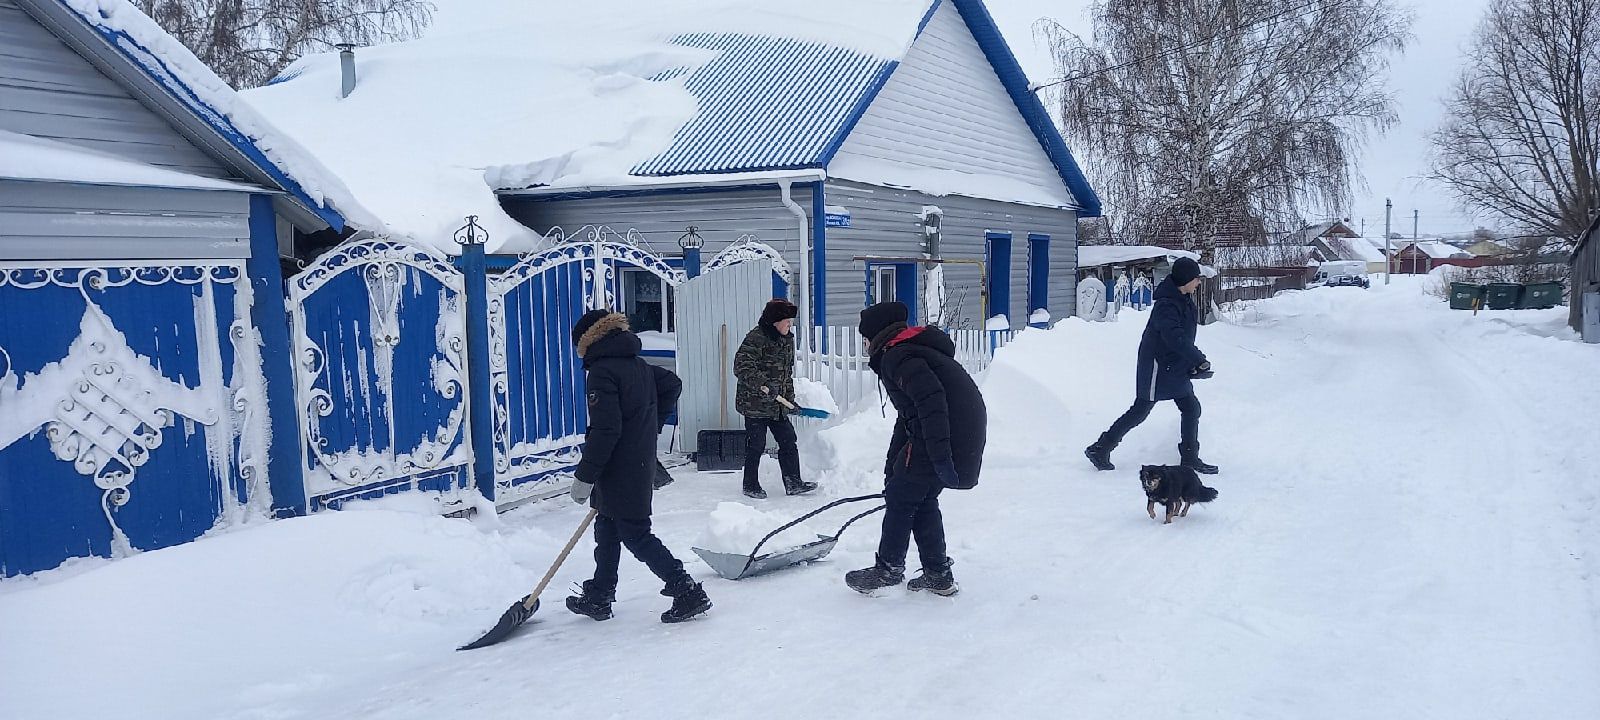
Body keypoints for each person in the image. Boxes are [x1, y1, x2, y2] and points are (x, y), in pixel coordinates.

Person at [565, 309, 711, 624]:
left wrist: (584, 477)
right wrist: (649, 428)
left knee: (634, 532)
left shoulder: (603, 373)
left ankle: (685, 589)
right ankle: (600, 595)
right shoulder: (638, 366)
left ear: (588, 341)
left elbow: (606, 430)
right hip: (634, 461)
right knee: (606, 526)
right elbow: (672, 384)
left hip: (621, 467)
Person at [845, 302, 986, 597]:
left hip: (946, 432)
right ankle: (938, 574)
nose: (865, 345)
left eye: (866, 339)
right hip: (954, 431)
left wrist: (940, 457)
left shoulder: (898, 356)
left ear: (877, 335)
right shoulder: (908, 351)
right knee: (919, 497)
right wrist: (893, 461)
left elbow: (931, 404)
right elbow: (908, 414)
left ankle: (888, 568)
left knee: (902, 496)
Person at [1084, 258, 1218, 475]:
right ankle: (1100, 448)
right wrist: (1198, 359)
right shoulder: (1166, 305)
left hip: (1173, 366)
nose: (1198, 283)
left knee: (1191, 408)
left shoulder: (1184, 300)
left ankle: (1190, 458)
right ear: (1185, 280)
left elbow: (1183, 339)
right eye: (1196, 279)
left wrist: (1193, 365)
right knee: (1141, 410)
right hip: (1156, 366)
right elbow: (1173, 338)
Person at [732, 299, 817, 499]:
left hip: (777, 405)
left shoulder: (787, 340)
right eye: (787, 321)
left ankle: (793, 482)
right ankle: (750, 485)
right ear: (775, 322)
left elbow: (786, 373)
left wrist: (789, 399)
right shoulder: (756, 338)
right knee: (756, 444)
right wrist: (763, 384)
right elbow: (741, 366)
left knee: (788, 440)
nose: (790, 325)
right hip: (754, 403)